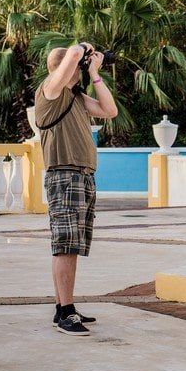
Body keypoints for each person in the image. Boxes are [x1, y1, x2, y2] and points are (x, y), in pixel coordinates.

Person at [34, 41, 118, 335]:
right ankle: (67, 313)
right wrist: (86, 48)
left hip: (82, 175)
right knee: (65, 246)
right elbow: (71, 53)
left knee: (70, 246)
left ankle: (63, 307)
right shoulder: (50, 91)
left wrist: (95, 74)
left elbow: (110, 110)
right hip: (64, 175)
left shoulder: (76, 97)